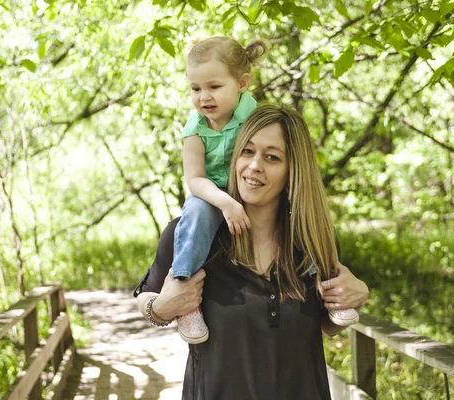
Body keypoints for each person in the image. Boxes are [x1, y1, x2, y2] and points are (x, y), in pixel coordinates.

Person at [134, 103, 369, 399]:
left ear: (292, 170)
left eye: (272, 157)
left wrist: (358, 295)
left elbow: (324, 325)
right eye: (247, 151)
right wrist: (160, 308)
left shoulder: (312, 241)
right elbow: (144, 295)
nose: (254, 165)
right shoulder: (192, 237)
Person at [172, 36, 357, 345]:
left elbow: (273, 153)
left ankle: (329, 281)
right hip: (213, 194)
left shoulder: (254, 118)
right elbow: (194, 179)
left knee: (297, 209)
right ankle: (186, 296)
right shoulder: (195, 128)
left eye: (214, 87)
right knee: (196, 212)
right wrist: (225, 202)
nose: (204, 97)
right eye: (195, 89)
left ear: (242, 83)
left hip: (253, 192)